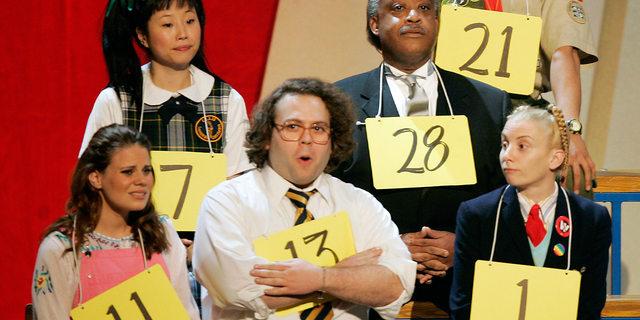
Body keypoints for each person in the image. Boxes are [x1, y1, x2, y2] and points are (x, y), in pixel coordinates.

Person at [332, 0, 511, 312]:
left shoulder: (491, 102)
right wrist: (387, 248)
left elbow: (507, 195)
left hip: (465, 276)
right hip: (370, 278)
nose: (414, 16)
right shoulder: (337, 101)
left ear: (438, 23)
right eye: (399, 7)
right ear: (375, 24)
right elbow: (326, 196)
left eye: (425, 8)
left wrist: (467, 244)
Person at [193, 78, 416, 320]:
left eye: (318, 128)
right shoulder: (226, 202)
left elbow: (396, 286)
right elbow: (237, 290)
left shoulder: (362, 204)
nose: (306, 139)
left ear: (332, 139)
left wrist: (321, 277)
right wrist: (342, 275)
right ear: (267, 136)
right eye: (293, 127)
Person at [450, 105, 611, 320]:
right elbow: (463, 303)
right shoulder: (477, 214)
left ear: (555, 158)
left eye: (522, 146)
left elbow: (589, 305)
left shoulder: (591, 218)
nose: (507, 155)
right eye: (504, 144)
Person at [31, 124, 200, 320]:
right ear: (95, 177)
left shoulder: (161, 230)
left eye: (146, 170)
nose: (142, 180)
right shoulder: (60, 248)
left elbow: (185, 313)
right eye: (128, 172)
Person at [442, 0, 599, 197]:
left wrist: (571, 130)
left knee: (571, 170)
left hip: (521, 107)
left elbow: (564, 52)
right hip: (448, 104)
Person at [79, 0, 252, 179]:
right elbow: (92, 178)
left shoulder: (226, 100)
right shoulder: (117, 100)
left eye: (190, 21)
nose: (183, 33)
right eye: (168, 24)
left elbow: (236, 185)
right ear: (142, 35)